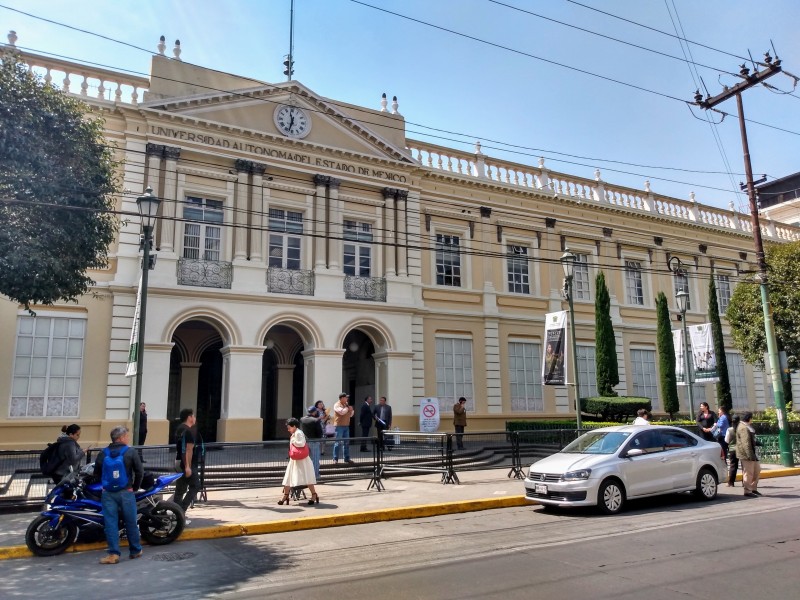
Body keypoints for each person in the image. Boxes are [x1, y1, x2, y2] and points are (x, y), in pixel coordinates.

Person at [93, 425, 143, 564]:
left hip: (108, 493)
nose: (128, 438)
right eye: (127, 436)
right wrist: (135, 488)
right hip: (126, 492)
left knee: (110, 523)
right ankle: (136, 550)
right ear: (121, 438)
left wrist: (105, 485)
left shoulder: (103, 453)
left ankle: (114, 554)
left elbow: (96, 473)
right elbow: (139, 472)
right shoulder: (131, 452)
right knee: (131, 521)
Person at [278, 418, 320, 505]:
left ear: (294, 426)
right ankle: (285, 495)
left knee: (307, 477)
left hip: (302, 459)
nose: (288, 429)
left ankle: (314, 494)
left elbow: (301, 443)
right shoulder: (295, 433)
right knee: (288, 477)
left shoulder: (298, 433)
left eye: (289, 427)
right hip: (295, 459)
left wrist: (293, 440)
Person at [173, 408, 203, 512]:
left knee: (180, 489)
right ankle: (181, 510)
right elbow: (188, 450)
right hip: (187, 464)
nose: (195, 418)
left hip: (179, 461)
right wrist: (188, 467)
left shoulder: (179, 429)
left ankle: (176, 513)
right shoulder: (188, 431)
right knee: (195, 485)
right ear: (189, 417)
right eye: (193, 416)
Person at [737, 411, 761, 497]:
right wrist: (750, 456)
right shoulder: (743, 427)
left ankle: (753, 488)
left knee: (757, 470)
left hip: (753, 453)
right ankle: (747, 491)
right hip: (747, 455)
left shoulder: (747, 426)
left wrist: (756, 442)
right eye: (751, 418)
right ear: (749, 418)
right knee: (749, 473)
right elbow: (745, 443)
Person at [300, 406, 323, 480]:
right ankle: (316, 475)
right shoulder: (316, 420)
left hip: (305, 441)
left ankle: (306, 475)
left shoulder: (302, 419)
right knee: (315, 459)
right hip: (314, 441)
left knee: (306, 459)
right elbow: (320, 432)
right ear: (314, 412)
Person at [332, 393, 354, 464]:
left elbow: (351, 415)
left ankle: (346, 458)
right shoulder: (337, 404)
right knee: (337, 443)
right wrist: (348, 409)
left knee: (346, 443)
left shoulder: (346, 404)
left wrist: (351, 410)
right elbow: (341, 412)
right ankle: (335, 459)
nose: (347, 399)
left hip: (346, 426)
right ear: (341, 398)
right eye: (346, 398)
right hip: (339, 426)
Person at [725, 414, 741, 487]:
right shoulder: (742, 429)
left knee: (733, 466)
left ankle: (731, 482)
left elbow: (726, 440)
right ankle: (745, 482)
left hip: (732, 449)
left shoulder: (729, 430)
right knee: (744, 466)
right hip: (741, 449)